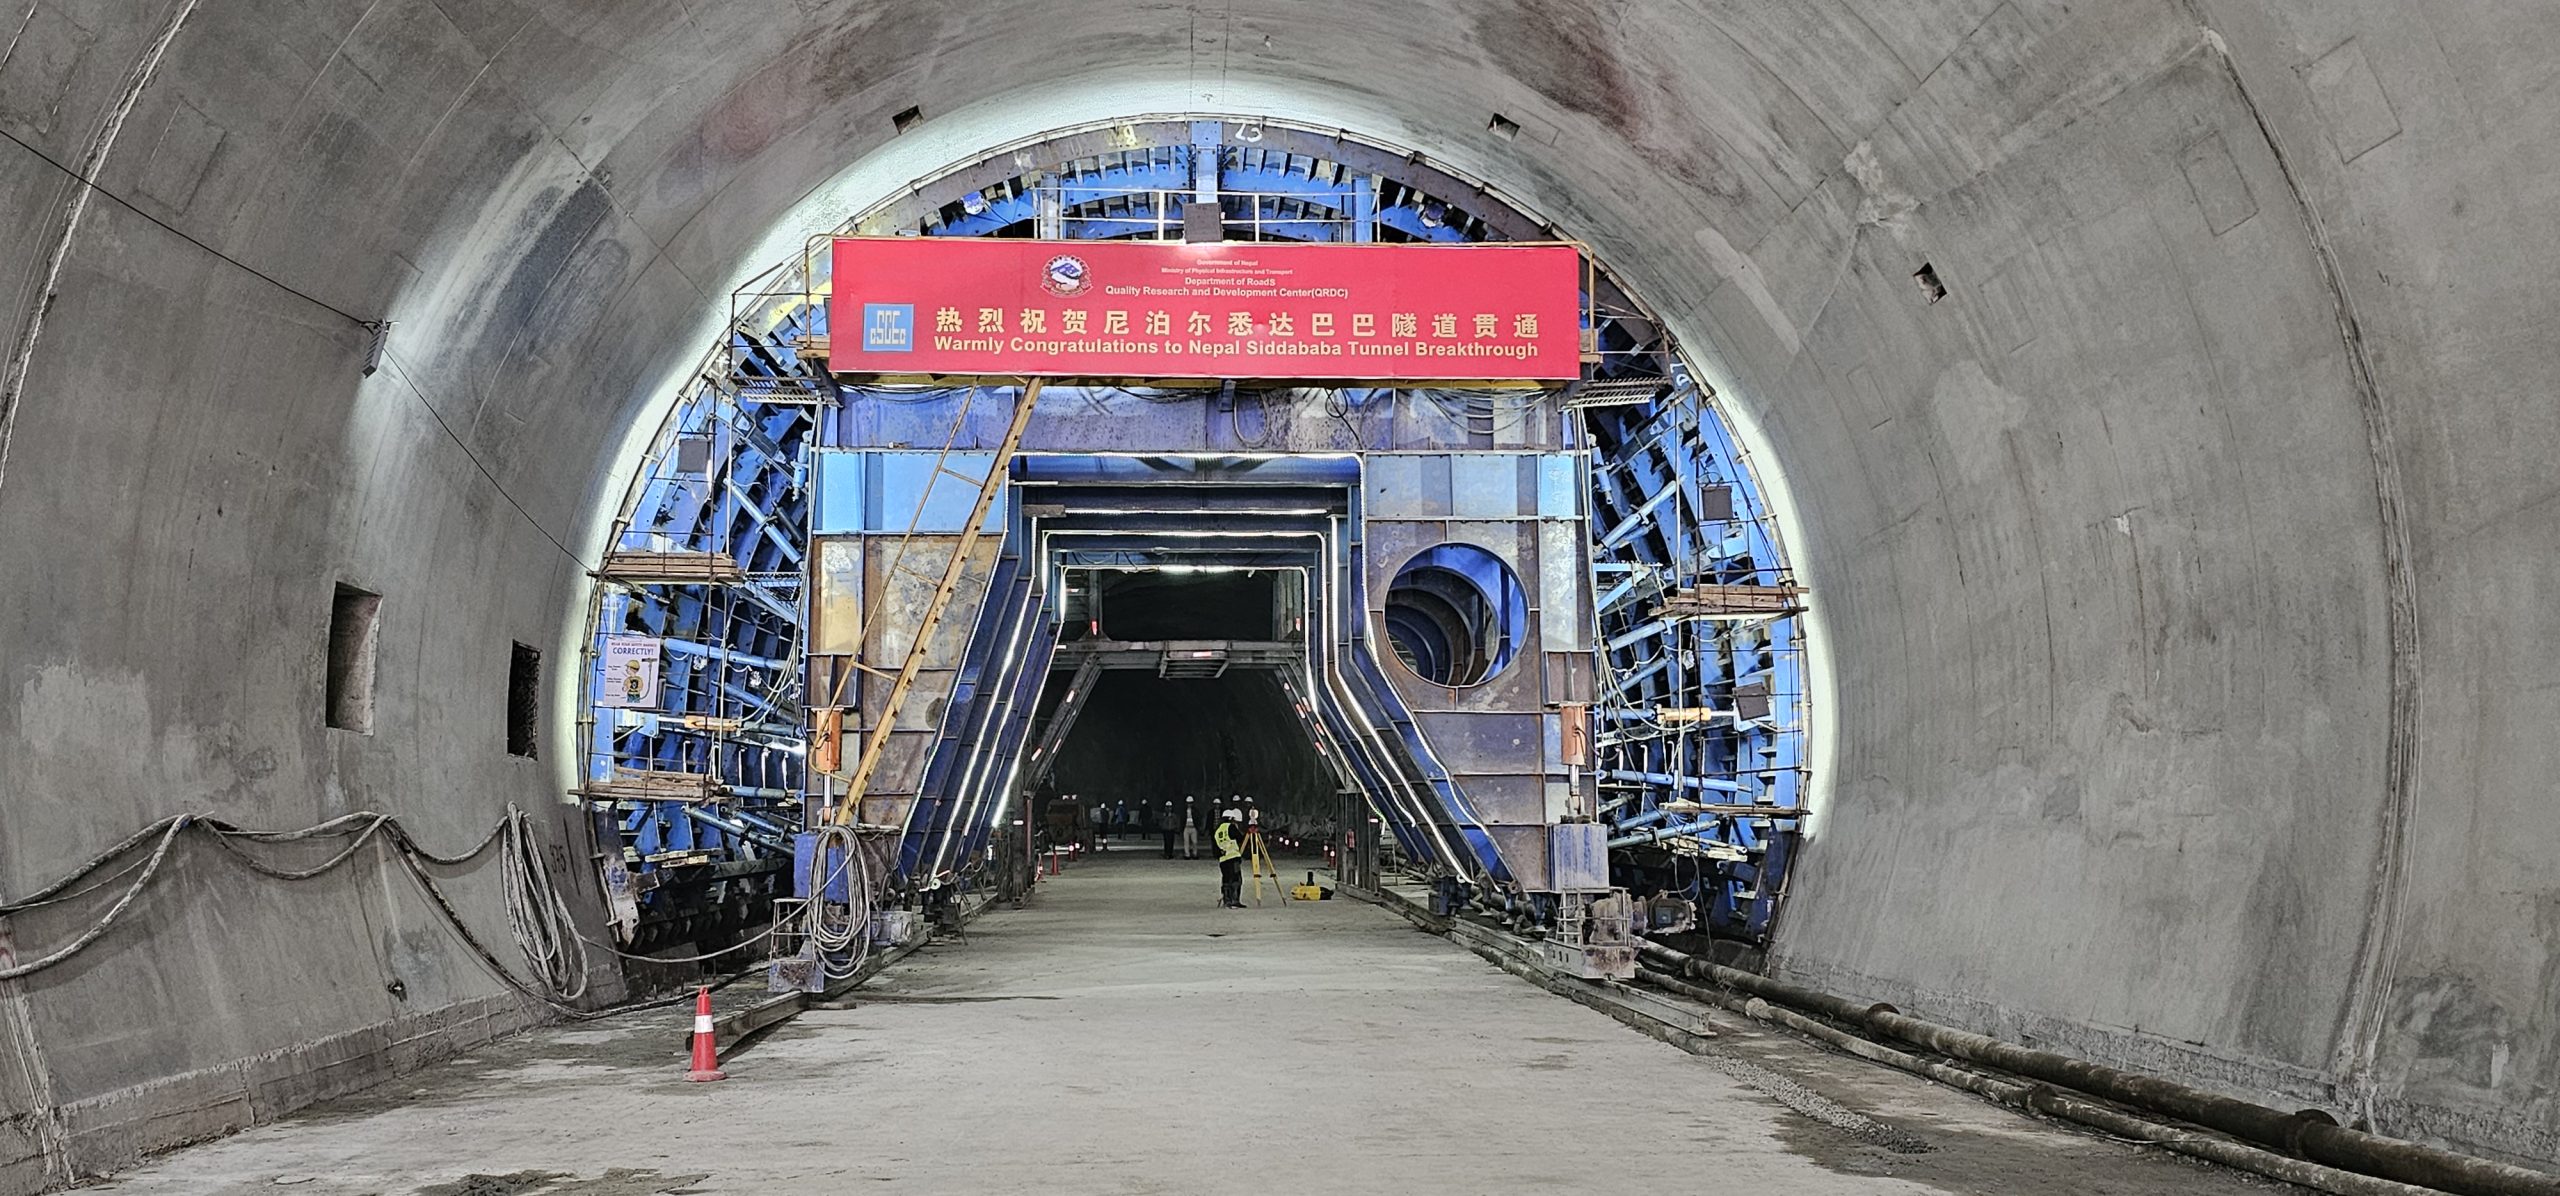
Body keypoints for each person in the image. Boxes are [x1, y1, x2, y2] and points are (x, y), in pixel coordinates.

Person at [1214, 807, 1245, 908]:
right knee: (1236, 879)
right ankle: (1235, 900)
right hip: (1233, 857)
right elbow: (1240, 838)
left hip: (1223, 859)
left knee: (1226, 880)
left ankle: (1227, 900)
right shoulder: (1230, 827)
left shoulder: (1218, 830)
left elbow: (1216, 846)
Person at [1180, 796, 1201, 860]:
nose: (1189, 804)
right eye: (1188, 803)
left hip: (1193, 827)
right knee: (1186, 842)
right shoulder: (1184, 810)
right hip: (1186, 827)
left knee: (1194, 842)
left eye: (1190, 803)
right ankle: (1187, 854)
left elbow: (1198, 819)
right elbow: (1182, 819)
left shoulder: (1195, 810)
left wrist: (1198, 827)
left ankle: (1195, 853)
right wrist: (1181, 828)